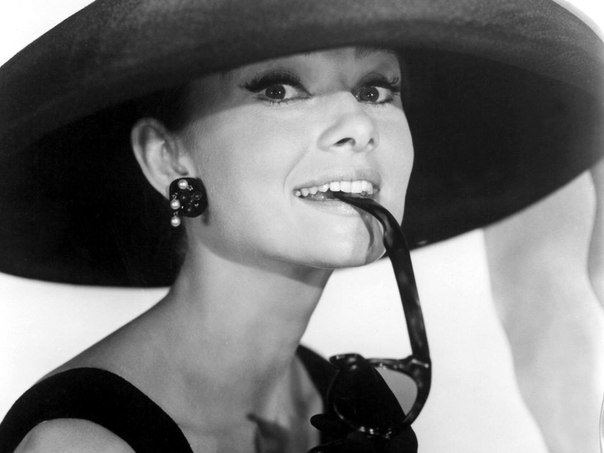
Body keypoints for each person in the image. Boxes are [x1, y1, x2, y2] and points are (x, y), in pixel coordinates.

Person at [0, 0, 602, 452]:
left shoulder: (369, 406)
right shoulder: (81, 444)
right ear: (168, 157)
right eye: (280, 89)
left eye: (375, 89)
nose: (357, 125)